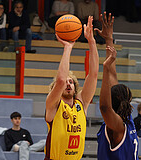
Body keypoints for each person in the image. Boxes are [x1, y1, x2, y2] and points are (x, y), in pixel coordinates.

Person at [44, 15, 99, 160]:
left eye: (72, 82)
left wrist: (91, 42)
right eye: (66, 82)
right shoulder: (53, 104)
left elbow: (93, 74)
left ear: (75, 88)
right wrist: (68, 47)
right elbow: (61, 80)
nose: (68, 84)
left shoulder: (82, 103)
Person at [96, 12, 139, 160]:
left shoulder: (118, 125)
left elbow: (104, 107)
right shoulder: (127, 118)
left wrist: (105, 68)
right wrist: (109, 39)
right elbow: (113, 76)